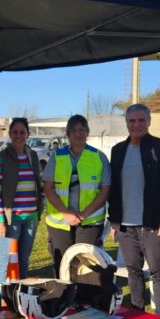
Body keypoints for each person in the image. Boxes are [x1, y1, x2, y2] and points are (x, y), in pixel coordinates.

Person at [108, 103, 160, 319]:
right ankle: (137, 316)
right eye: (132, 121)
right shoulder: (118, 150)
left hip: (153, 225)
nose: (136, 125)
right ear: (126, 123)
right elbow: (114, 188)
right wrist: (114, 220)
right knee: (133, 272)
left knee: (158, 273)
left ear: (148, 122)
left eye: (141, 120)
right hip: (126, 226)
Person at [43, 114, 111, 278]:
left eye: (82, 130)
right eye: (73, 130)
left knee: (86, 266)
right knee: (62, 265)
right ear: (67, 134)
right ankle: (63, 299)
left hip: (89, 221)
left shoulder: (99, 157)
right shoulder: (57, 156)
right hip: (60, 222)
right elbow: (48, 188)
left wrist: (83, 214)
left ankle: (84, 301)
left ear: (87, 132)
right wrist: (66, 213)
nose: (78, 134)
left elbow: (105, 190)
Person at [0, 117, 43, 292]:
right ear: (10, 134)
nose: (18, 136)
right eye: (15, 132)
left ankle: (21, 298)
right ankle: (4, 300)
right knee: (7, 260)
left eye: (22, 132)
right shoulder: (1, 158)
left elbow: (38, 184)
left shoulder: (33, 155)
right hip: (11, 217)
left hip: (31, 217)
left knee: (24, 259)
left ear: (28, 134)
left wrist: (39, 209)